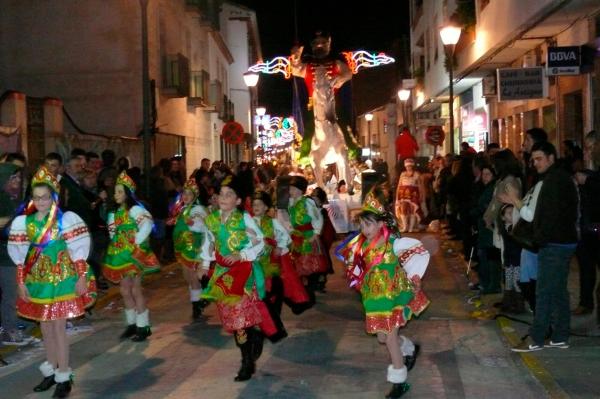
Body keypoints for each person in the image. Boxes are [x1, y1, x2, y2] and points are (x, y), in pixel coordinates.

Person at [7, 166, 96, 398]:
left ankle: (64, 375)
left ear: (54, 196)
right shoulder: (23, 223)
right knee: (45, 327)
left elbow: (78, 250)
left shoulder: (66, 220)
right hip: (38, 280)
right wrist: (20, 282)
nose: (41, 202)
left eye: (45, 197)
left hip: (62, 279)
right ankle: (52, 369)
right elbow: (19, 256)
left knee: (58, 327)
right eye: (36, 198)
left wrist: (82, 278)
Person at [337, 186, 430, 399]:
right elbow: (352, 265)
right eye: (362, 224)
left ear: (380, 224)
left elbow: (419, 251)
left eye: (369, 224)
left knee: (388, 338)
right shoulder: (359, 246)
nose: (365, 228)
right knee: (382, 338)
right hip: (375, 299)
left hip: (395, 296)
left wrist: (415, 277)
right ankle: (409, 348)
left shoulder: (394, 244)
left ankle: (399, 381)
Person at [199, 175, 283, 382]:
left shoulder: (244, 219)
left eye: (229, 195)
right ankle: (253, 338)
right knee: (233, 319)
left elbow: (261, 243)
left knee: (239, 318)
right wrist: (203, 263)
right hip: (222, 275)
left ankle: (247, 362)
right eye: (221, 194)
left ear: (238, 201)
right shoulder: (211, 219)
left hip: (243, 274)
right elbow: (208, 243)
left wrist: (241, 255)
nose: (223, 198)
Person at [511, 141, 578, 352]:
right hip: (562, 242)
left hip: (555, 244)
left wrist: (540, 238)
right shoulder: (559, 178)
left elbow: (545, 215)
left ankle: (536, 339)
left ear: (551, 158)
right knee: (557, 291)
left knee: (545, 291)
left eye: (539, 159)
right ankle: (560, 336)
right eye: (534, 160)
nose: (536, 163)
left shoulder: (552, 181)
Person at [290, 31, 359, 187]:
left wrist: (340, 78)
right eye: (316, 43)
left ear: (328, 43)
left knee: (344, 124)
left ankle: (352, 148)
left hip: (333, 101)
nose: (320, 45)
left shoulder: (336, 63)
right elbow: (295, 70)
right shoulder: (308, 66)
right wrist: (295, 57)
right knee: (307, 126)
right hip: (312, 103)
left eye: (322, 42)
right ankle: (305, 151)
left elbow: (348, 73)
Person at [103, 171, 160, 342]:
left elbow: (147, 225)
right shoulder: (114, 213)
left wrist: (136, 242)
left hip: (133, 255)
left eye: (120, 192)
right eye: (115, 192)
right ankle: (132, 324)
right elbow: (112, 233)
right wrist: (117, 246)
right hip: (120, 255)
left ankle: (144, 326)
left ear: (128, 193)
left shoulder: (135, 210)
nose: (116, 195)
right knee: (124, 290)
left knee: (135, 289)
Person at [167, 178, 208, 321]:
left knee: (192, 276)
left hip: (193, 247)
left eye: (189, 194)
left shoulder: (198, 209)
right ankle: (199, 299)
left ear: (195, 196)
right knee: (187, 277)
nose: (186, 196)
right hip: (182, 247)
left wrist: (190, 223)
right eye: (184, 193)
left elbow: (202, 226)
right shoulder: (182, 209)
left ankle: (197, 305)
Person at [1, 163, 32, 346]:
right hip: (4, 256)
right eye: (13, 178)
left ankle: (16, 326)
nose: (17, 181)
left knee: (17, 293)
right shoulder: (3, 198)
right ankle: (9, 330)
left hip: (14, 254)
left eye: (19, 178)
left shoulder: (13, 198)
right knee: (11, 295)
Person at [287, 175, 329, 303]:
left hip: (308, 237)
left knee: (309, 265)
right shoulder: (290, 202)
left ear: (301, 190)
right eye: (290, 188)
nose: (291, 191)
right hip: (296, 237)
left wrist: (316, 234)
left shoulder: (307, 202)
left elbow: (317, 217)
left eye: (294, 189)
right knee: (298, 265)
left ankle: (310, 290)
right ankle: (305, 292)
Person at [395, 158, 426, 232]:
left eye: (410, 166)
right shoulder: (402, 174)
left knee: (413, 210)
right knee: (403, 208)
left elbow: (420, 186)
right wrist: (397, 196)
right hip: (403, 195)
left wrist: (421, 195)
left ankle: (411, 228)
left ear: (412, 166)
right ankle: (405, 226)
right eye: (407, 166)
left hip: (414, 195)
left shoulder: (416, 174)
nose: (408, 167)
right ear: (405, 166)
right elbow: (399, 185)